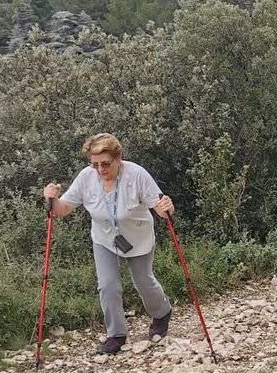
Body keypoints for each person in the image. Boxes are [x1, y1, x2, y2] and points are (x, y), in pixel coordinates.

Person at [42, 133, 176, 355]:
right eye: (95, 164)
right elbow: (62, 210)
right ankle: (116, 335)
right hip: (104, 239)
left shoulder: (136, 174)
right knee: (107, 285)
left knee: (143, 282)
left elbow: (161, 209)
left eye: (106, 163)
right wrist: (52, 199)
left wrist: (166, 206)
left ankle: (162, 312)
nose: (101, 169)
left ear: (119, 157)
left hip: (139, 238)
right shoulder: (87, 177)